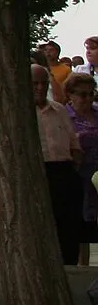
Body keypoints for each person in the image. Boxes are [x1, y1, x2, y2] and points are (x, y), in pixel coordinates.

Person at [34, 63, 83, 265]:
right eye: (34, 83)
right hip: (41, 171)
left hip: (64, 169)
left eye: (43, 83)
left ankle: (70, 264)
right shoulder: (22, 113)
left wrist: (75, 159)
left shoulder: (59, 109)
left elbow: (73, 141)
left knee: (70, 225)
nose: (39, 88)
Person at [65, 72, 98, 259]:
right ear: (70, 94)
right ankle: (83, 268)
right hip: (78, 177)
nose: (87, 99)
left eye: (91, 93)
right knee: (83, 227)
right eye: (82, 95)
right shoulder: (65, 116)